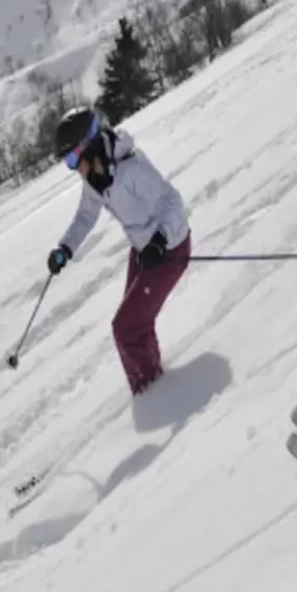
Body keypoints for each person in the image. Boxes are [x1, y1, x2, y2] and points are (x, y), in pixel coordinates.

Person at [46, 107, 192, 394]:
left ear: (90, 147)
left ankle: (152, 393)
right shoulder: (98, 178)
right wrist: (64, 248)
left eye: (74, 158)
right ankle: (155, 377)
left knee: (125, 328)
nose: (74, 168)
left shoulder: (130, 169)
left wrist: (160, 242)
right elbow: (85, 216)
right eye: (68, 162)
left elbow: (172, 203)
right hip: (143, 249)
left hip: (168, 251)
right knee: (135, 322)